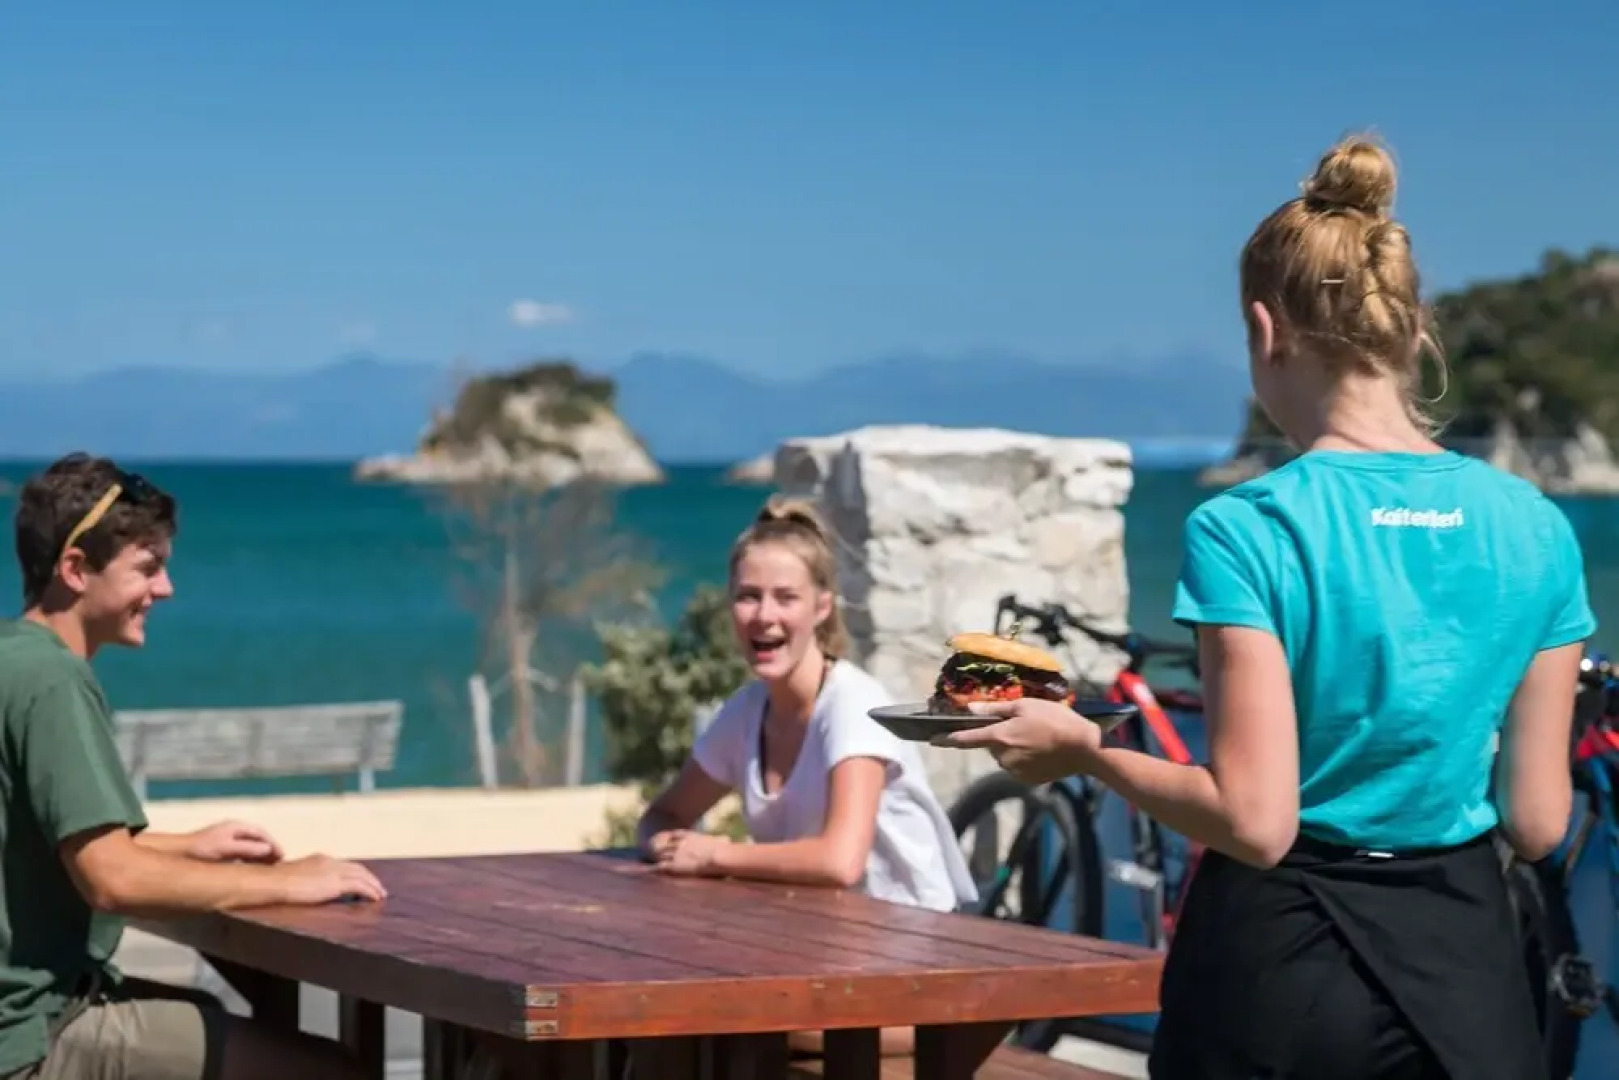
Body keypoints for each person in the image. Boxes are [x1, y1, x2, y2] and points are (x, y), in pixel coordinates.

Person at [942, 134, 1592, 1080]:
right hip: (1467, 984)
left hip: (1282, 974)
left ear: (1261, 330)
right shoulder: (1533, 527)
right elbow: (1535, 822)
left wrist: (1086, 749)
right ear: (1412, 333)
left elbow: (1256, 821)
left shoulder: (1248, 528)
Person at [1, 453, 388, 1080]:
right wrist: (288, 883)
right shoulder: (53, 680)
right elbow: (112, 879)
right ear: (76, 569)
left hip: (35, 1011)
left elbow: (47, 840)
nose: (165, 589)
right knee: (332, 1071)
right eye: (147, 569)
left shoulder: (12, 658)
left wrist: (188, 847)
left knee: (204, 1013)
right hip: (32, 1032)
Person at [637, 497, 977, 1054]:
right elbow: (662, 813)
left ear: (822, 607)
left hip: (914, 976)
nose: (764, 616)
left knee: (702, 1031)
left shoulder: (852, 705)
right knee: (658, 1021)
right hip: (822, 959)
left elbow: (839, 861)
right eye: (748, 597)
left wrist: (713, 855)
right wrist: (665, 845)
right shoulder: (746, 712)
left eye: (784, 598)